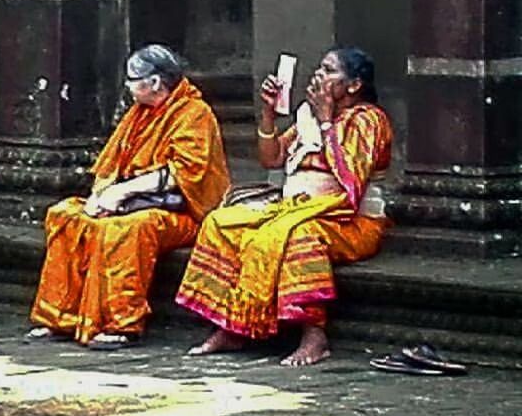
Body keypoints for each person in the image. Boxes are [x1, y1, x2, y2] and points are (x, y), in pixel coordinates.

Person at [177, 46, 393, 367]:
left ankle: (314, 335)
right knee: (220, 223)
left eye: (329, 70)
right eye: (319, 67)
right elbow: (272, 157)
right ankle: (232, 325)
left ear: (354, 85)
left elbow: (351, 180)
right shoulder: (307, 115)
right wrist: (268, 114)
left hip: (348, 221)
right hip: (293, 209)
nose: (319, 75)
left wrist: (325, 123)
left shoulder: (369, 120)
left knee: (297, 236)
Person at [25, 45, 231, 350]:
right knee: (65, 214)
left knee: (125, 231)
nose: (127, 85)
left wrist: (123, 192)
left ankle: (121, 323)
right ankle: (59, 316)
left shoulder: (194, 114)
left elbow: (183, 174)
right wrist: (101, 195)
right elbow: (112, 161)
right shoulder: (140, 112)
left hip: (181, 211)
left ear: (155, 83)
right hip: (129, 201)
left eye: (133, 79)